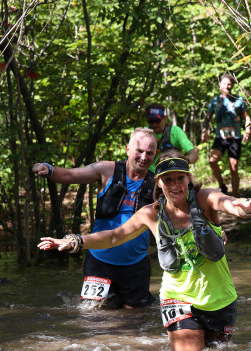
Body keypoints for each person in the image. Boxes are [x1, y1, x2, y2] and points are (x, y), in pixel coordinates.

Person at [38, 150, 251, 351]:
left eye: (180, 178)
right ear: (159, 183)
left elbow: (226, 202)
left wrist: (244, 206)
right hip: (177, 298)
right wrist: (75, 240)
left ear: (189, 178)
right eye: (167, 179)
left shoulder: (203, 199)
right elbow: (113, 236)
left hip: (220, 298)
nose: (175, 185)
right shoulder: (150, 214)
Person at [32, 127, 157, 309]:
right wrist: (48, 169)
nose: (144, 157)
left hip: (136, 266)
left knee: (134, 322)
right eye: (139, 151)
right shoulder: (107, 170)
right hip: (99, 261)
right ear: (128, 149)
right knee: (94, 320)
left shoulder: (158, 184)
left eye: (149, 153)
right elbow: (69, 174)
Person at [201, 73, 251, 197]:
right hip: (220, 137)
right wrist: (204, 131)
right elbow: (207, 118)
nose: (227, 86)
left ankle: (235, 198)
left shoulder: (239, 100)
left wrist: (248, 130)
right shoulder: (215, 101)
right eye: (224, 83)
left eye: (229, 84)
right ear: (220, 85)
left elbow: (247, 117)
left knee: (233, 169)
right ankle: (222, 185)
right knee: (212, 161)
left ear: (232, 85)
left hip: (235, 138)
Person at [145, 103, 199, 172]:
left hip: (171, 173)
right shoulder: (144, 133)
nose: (154, 124)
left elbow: (194, 155)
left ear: (164, 118)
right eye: (151, 121)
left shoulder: (175, 132)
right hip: (148, 174)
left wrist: (182, 162)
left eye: (157, 121)